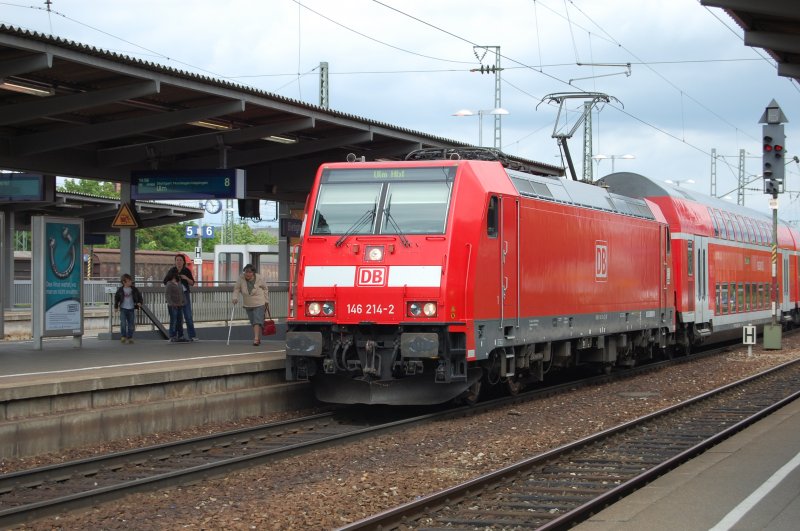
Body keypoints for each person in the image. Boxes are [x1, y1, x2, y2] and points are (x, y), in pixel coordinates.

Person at [232, 264, 270, 346]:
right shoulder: (241, 278)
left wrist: (266, 300)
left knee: (257, 320)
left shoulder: (259, 278)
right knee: (254, 322)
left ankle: (256, 339)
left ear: (253, 272)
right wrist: (235, 298)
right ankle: (258, 337)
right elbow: (236, 289)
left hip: (259, 302)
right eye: (246, 272)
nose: (247, 274)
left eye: (250, 272)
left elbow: (265, 288)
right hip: (248, 303)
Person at [163, 254, 197, 341]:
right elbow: (165, 281)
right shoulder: (172, 270)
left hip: (184, 294)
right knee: (176, 317)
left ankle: (192, 336)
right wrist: (173, 280)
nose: (179, 262)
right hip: (175, 296)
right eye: (177, 260)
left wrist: (185, 278)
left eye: (180, 260)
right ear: (175, 262)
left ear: (183, 262)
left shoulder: (186, 270)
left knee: (188, 315)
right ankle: (175, 336)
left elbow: (192, 283)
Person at [113, 273, 143, 344]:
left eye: (130, 281)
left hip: (131, 309)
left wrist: (139, 302)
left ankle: (130, 337)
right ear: (124, 282)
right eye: (129, 281)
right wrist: (116, 307)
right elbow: (116, 299)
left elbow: (139, 297)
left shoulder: (134, 289)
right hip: (123, 309)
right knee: (123, 323)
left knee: (131, 324)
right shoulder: (120, 290)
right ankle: (123, 336)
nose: (131, 282)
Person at [165, 271, 187, 342]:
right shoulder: (169, 284)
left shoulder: (179, 283)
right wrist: (171, 303)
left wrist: (183, 301)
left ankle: (181, 336)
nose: (178, 275)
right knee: (173, 321)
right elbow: (167, 295)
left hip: (180, 305)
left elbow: (182, 293)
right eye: (177, 274)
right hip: (172, 306)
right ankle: (172, 336)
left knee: (180, 321)